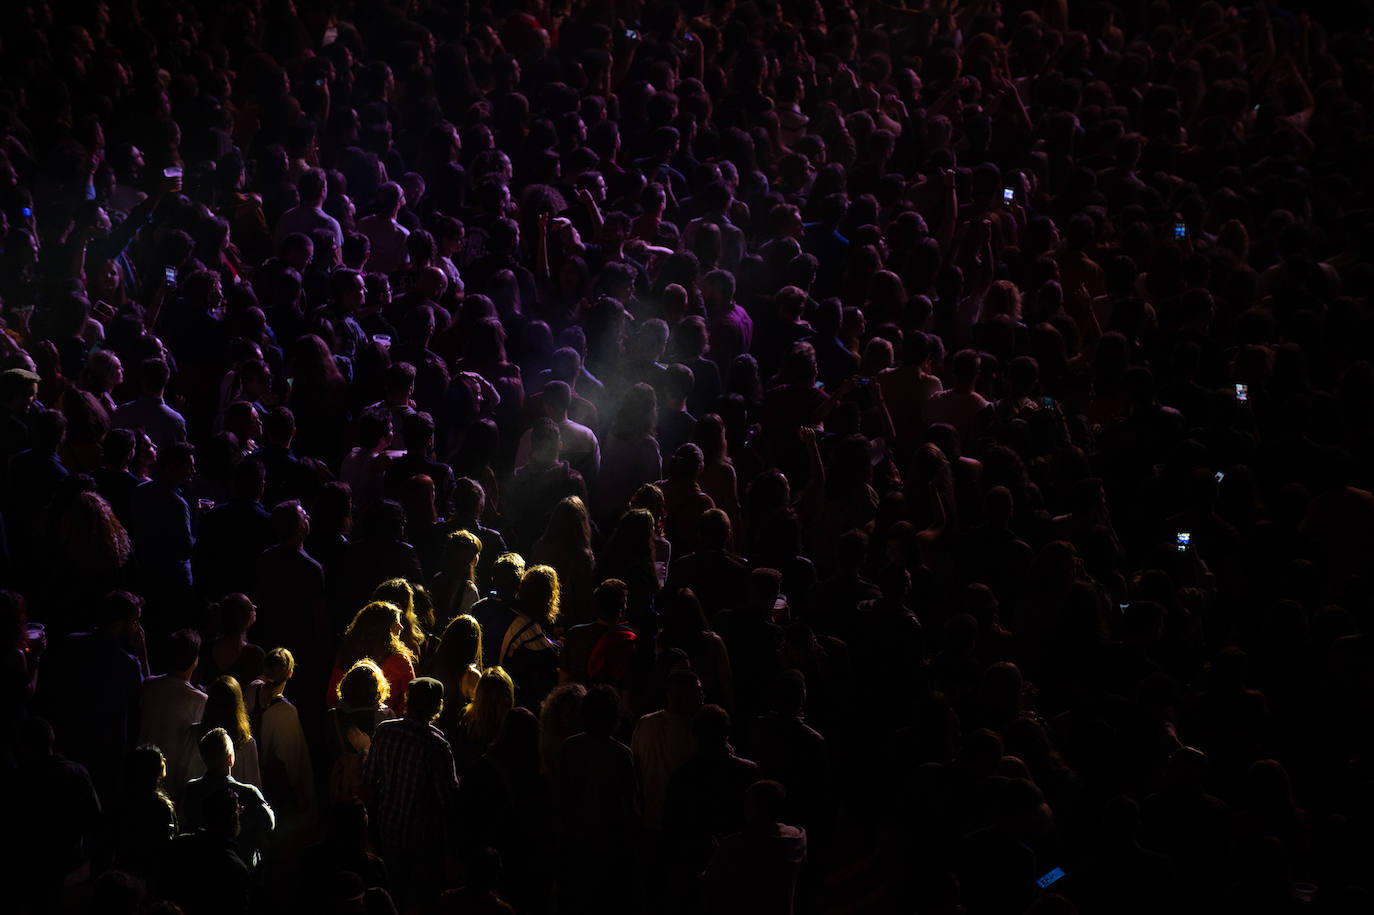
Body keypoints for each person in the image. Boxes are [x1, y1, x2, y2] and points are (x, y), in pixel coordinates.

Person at [362, 677, 460, 912]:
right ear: (437, 706)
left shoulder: (385, 731)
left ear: (408, 700)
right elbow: (448, 800)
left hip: (386, 829)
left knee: (392, 894)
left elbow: (367, 781)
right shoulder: (437, 745)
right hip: (420, 841)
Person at [180, 727, 276, 870]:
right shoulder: (248, 793)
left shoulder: (191, 790)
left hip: (201, 868)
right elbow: (269, 824)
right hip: (242, 867)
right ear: (230, 759)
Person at [139, 628, 207, 790]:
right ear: (195, 661)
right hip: (175, 783)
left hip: (139, 774)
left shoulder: (148, 686)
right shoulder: (200, 701)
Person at [328, 601, 418, 715]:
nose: (401, 627)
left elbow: (332, 697)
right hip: (386, 727)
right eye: (396, 622)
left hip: (347, 724)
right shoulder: (399, 660)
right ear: (383, 628)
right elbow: (410, 700)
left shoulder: (347, 653)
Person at [497, 564, 562, 709]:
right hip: (517, 696)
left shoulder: (512, 610)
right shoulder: (527, 625)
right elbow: (546, 653)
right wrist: (558, 645)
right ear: (550, 596)